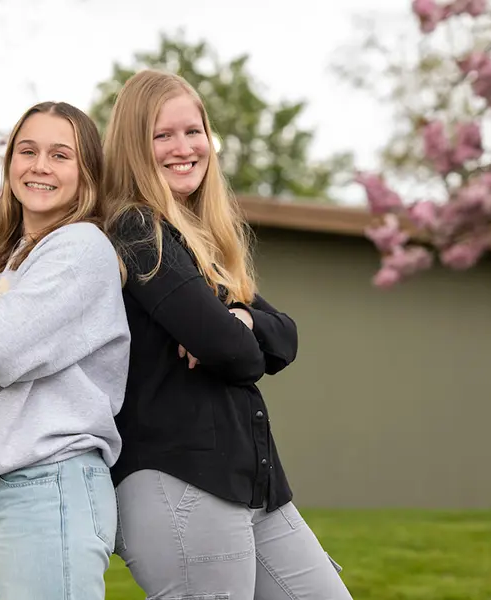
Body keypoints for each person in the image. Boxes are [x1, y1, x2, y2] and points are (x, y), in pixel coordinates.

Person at [101, 70, 353, 600]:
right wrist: (233, 332)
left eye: (193, 131)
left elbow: (284, 337)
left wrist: (239, 319)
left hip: (252, 484)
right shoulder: (137, 231)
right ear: (133, 146)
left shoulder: (202, 244)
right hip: (180, 482)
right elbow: (237, 356)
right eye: (162, 135)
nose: (184, 147)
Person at [0, 101, 130, 600]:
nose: (39, 166)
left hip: (49, 482)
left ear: (86, 172)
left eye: (60, 155)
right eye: (27, 150)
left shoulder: (82, 248)